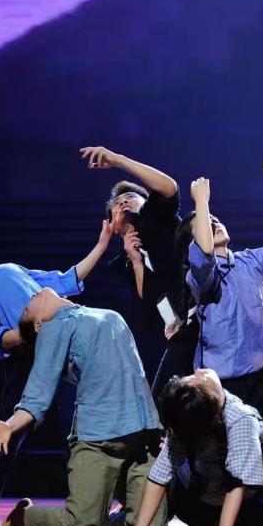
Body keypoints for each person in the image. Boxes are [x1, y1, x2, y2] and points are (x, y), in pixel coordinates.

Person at [0, 226, 112, 526]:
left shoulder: (1, 271)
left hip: (63, 332)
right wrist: (31, 330)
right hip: (29, 351)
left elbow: (63, 282)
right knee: (6, 429)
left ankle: (100, 500)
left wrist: (102, 243)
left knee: (84, 417)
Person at [0, 280, 166, 526]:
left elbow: (137, 374)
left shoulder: (109, 314)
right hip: (98, 438)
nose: (32, 295)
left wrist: (155, 424)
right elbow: (37, 395)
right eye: (27, 308)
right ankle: (28, 516)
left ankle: (100, 518)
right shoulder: (53, 328)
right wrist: (9, 425)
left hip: (141, 434)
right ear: (38, 324)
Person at [178, 164, 263, 496]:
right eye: (205, 223)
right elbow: (203, 258)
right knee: (227, 460)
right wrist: (201, 203)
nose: (214, 222)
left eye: (215, 218)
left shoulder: (251, 261)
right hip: (223, 385)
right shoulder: (198, 278)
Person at [99, 369, 263, 526]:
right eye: (196, 378)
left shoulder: (230, 418)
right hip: (214, 509)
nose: (199, 372)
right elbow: (162, 475)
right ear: (209, 395)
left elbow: (235, 483)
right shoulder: (201, 416)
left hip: (232, 506)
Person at [80, 145, 195, 398]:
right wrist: (135, 262)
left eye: (130, 197)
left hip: (203, 316)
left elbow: (169, 187)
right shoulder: (121, 265)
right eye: (117, 203)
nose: (123, 202)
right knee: (166, 401)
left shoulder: (158, 218)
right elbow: (149, 306)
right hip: (174, 335)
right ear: (112, 225)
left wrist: (118, 160)